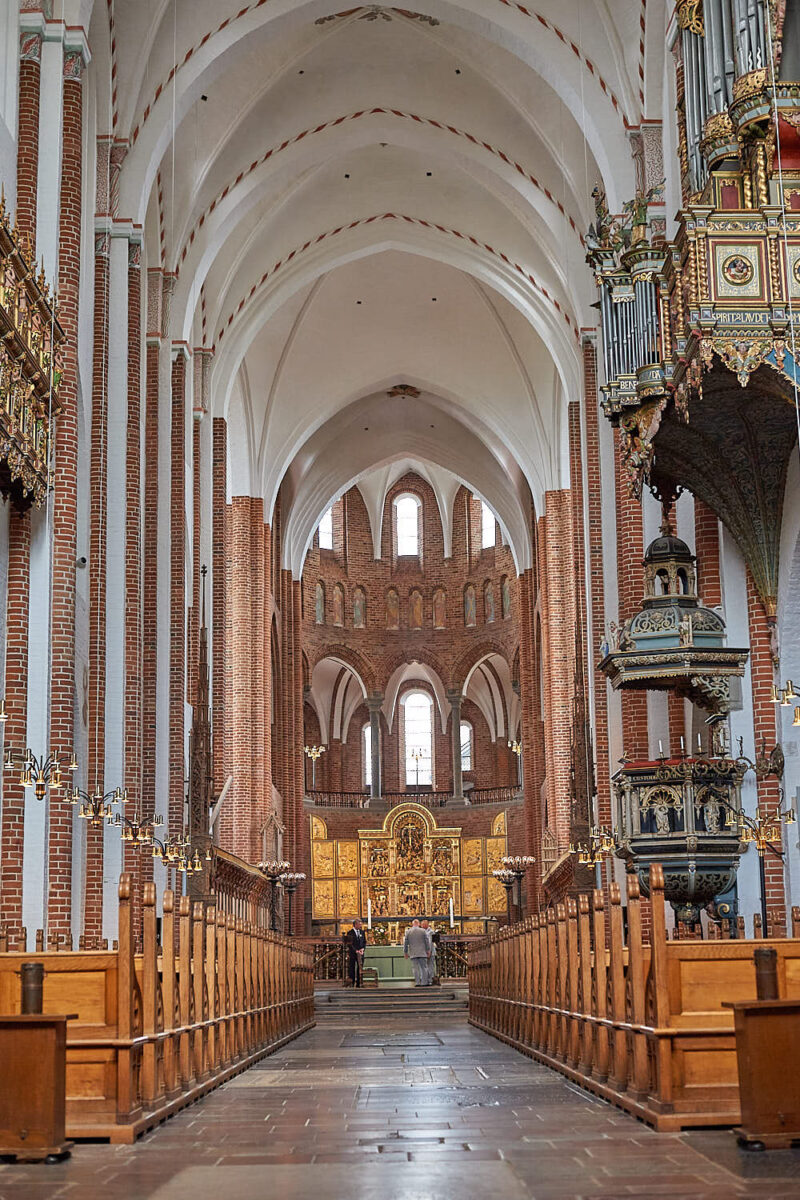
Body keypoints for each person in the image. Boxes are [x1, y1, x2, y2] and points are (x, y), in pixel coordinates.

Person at [403, 918, 431, 986]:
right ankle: (424, 982)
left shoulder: (408, 932)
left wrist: (405, 952)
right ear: (418, 924)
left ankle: (417, 982)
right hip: (422, 952)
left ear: (412, 924)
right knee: (424, 968)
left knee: (415, 968)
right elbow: (427, 941)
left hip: (413, 953)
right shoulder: (423, 931)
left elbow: (405, 943)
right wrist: (428, 950)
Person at [345, 918, 367, 987]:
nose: (361, 926)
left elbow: (364, 942)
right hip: (353, 953)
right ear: (355, 925)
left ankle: (359, 983)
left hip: (361, 953)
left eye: (361, 924)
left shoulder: (362, 932)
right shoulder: (350, 933)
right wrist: (355, 950)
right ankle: (352, 982)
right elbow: (350, 944)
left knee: (360, 968)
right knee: (352, 968)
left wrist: (362, 949)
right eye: (359, 924)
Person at [421, 919, 437, 985]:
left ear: (426, 924)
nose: (421, 926)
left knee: (430, 967)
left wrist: (429, 952)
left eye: (422, 924)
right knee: (425, 967)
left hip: (430, 952)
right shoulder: (422, 931)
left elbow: (430, 943)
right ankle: (425, 980)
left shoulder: (430, 932)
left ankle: (430, 980)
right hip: (424, 952)